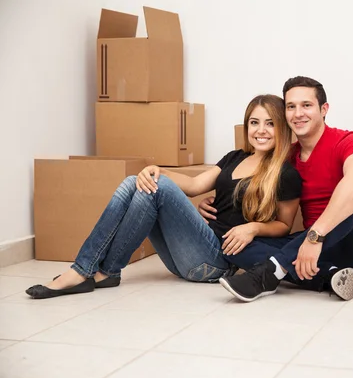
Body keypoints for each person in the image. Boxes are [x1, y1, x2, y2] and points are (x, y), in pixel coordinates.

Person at [26, 94, 302, 299]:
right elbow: (194, 186)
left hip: (215, 263)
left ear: (282, 128)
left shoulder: (285, 174)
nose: (261, 130)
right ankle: (104, 271)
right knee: (137, 181)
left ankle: (83, 270)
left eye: (270, 124)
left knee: (154, 186)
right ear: (246, 127)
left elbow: (284, 226)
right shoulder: (235, 157)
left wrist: (252, 227)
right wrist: (158, 169)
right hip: (192, 252)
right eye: (254, 122)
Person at [200, 76, 353, 302]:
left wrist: (315, 237)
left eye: (306, 105)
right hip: (309, 249)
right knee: (235, 239)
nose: (298, 114)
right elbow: (247, 187)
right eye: (291, 107)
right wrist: (216, 201)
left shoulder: (348, 141)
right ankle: (332, 274)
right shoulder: (285, 158)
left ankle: (270, 272)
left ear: (324, 109)